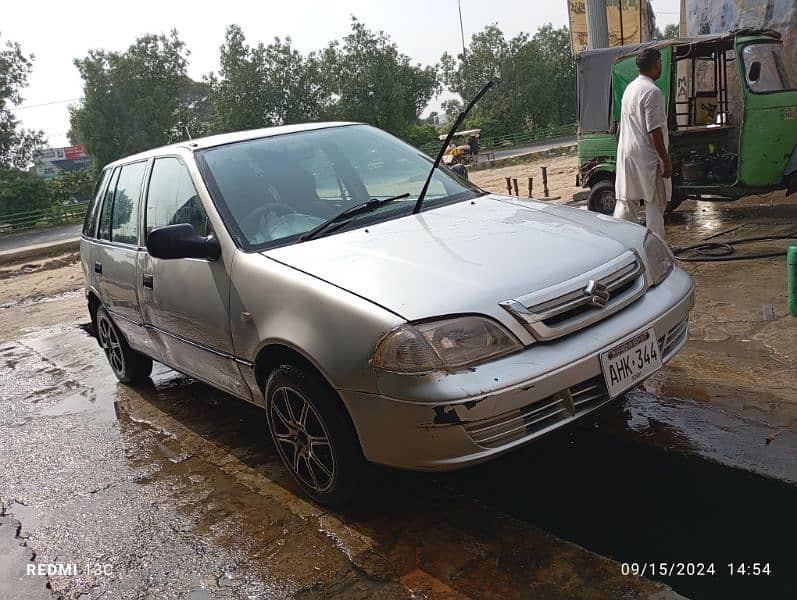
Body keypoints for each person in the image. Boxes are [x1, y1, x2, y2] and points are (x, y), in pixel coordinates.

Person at [614, 47, 672, 239]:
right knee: (655, 202)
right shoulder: (652, 92)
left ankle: (621, 243)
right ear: (656, 65)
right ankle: (657, 247)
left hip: (627, 152)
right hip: (647, 155)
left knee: (627, 201)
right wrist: (665, 159)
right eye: (660, 63)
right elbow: (654, 130)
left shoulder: (630, 88)